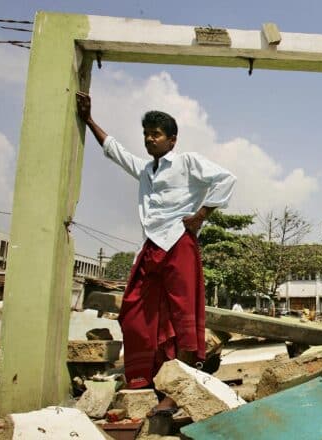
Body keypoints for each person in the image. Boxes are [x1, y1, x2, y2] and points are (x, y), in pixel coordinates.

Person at [76, 92, 236, 415]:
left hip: (179, 243)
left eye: (156, 134)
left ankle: (176, 391)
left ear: (172, 140)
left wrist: (200, 216)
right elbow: (115, 151)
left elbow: (226, 179)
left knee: (182, 317)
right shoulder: (146, 170)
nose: (150, 139)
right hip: (153, 246)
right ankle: (146, 377)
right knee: (134, 308)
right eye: (146, 135)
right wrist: (90, 120)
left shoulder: (187, 162)